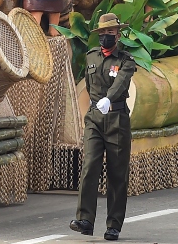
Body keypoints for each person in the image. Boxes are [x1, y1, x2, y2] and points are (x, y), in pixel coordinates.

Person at [72, 12, 136, 242]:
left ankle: (114, 224)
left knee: (117, 174)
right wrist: (96, 105)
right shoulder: (91, 58)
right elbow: (89, 86)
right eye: (103, 33)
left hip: (117, 118)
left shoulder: (126, 61)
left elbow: (121, 82)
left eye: (110, 33)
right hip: (95, 119)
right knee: (90, 165)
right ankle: (85, 220)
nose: (106, 37)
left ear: (118, 35)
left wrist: (109, 98)